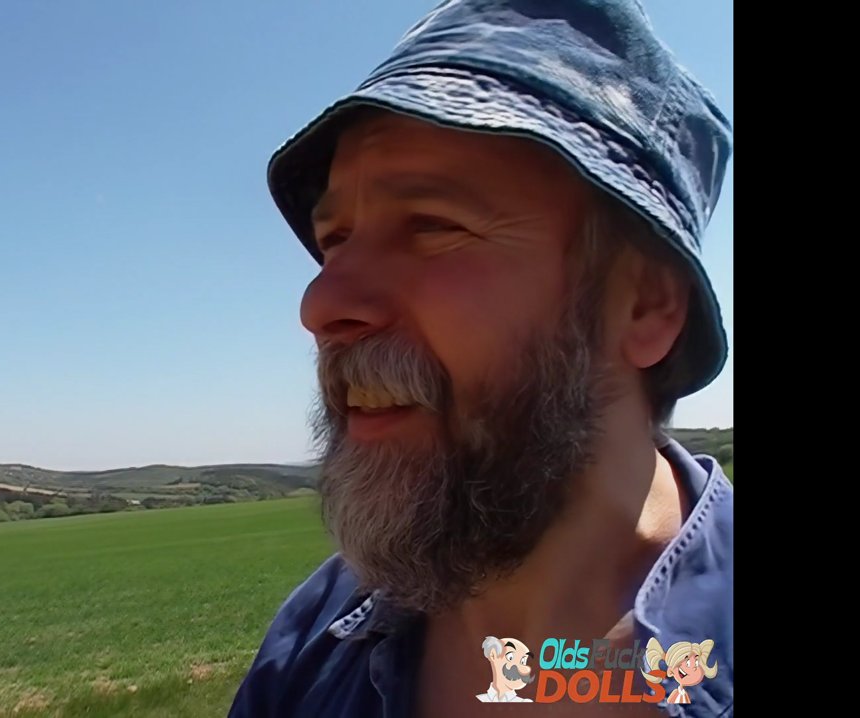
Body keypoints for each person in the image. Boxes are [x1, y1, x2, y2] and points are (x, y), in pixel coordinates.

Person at [227, 1, 732, 716]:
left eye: (433, 225)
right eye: (335, 239)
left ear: (645, 306)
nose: (320, 306)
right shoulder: (315, 637)